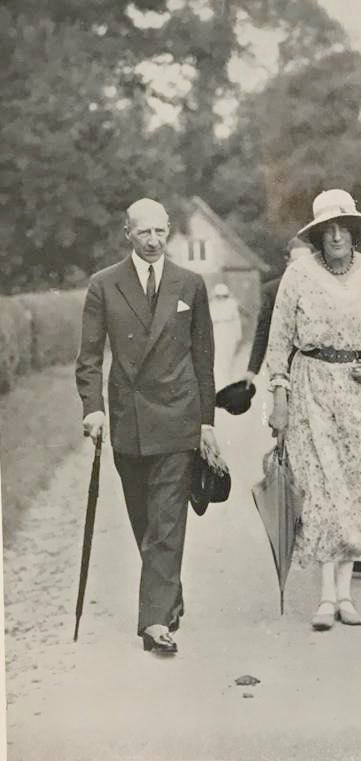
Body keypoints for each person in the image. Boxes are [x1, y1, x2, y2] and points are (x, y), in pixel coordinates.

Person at [76, 197, 220, 656]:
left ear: (169, 231)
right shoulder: (104, 285)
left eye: (160, 232)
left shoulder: (190, 284)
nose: (154, 241)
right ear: (128, 234)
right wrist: (92, 407)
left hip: (177, 420)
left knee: (165, 521)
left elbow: (203, 359)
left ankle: (154, 621)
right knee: (145, 520)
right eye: (144, 233)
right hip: (129, 420)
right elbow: (90, 357)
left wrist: (205, 423)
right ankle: (168, 596)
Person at [265, 188, 361, 630]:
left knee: (358, 488)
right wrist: (280, 399)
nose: (338, 236)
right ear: (319, 234)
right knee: (323, 490)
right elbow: (278, 343)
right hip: (315, 388)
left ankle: (346, 593)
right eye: (329, 229)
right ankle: (326, 596)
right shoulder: (300, 276)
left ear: (357, 232)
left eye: (345, 228)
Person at [244, 237, 311, 388]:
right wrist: (251, 370)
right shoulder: (272, 291)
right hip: (284, 367)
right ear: (288, 261)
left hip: (313, 366)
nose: (301, 267)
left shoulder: (320, 289)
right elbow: (263, 331)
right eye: (296, 261)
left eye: (306, 262)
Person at [210, 283, 242, 389]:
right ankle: (219, 384)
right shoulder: (212, 305)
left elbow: (237, 321)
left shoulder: (232, 304)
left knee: (227, 359)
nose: (221, 298)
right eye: (218, 296)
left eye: (223, 296)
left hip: (228, 333)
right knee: (217, 360)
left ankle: (227, 382)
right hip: (216, 333)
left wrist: (238, 336)